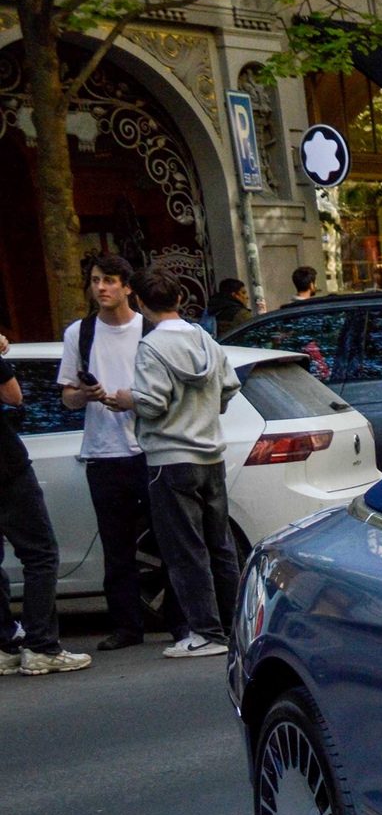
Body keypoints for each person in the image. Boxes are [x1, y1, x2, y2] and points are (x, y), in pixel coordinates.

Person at [128, 270, 239, 659]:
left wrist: (128, 398)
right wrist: (205, 411)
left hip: (170, 458)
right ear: (180, 300)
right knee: (220, 547)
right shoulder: (205, 338)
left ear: (139, 303)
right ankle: (234, 626)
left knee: (185, 549)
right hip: (212, 455)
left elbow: (152, 403)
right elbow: (228, 388)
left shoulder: (151, 347)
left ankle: (205, 633)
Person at [56, 255, 157, 651]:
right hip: (102, 453)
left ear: (128, 287)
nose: (101, 288)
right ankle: (127, 627)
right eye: (96, 280)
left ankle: (183, 622)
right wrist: (85, 394)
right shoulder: (79, 333)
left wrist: (133, 402)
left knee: (167, 542)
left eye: (110, 281)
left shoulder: (150, 330)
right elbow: (67, 399)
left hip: (150, 450)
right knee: (117, 549)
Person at [0, 333, 88, 675]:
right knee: (40, 554)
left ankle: (5, 642)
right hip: (6, 470)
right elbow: (13, 395)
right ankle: (40, 645)